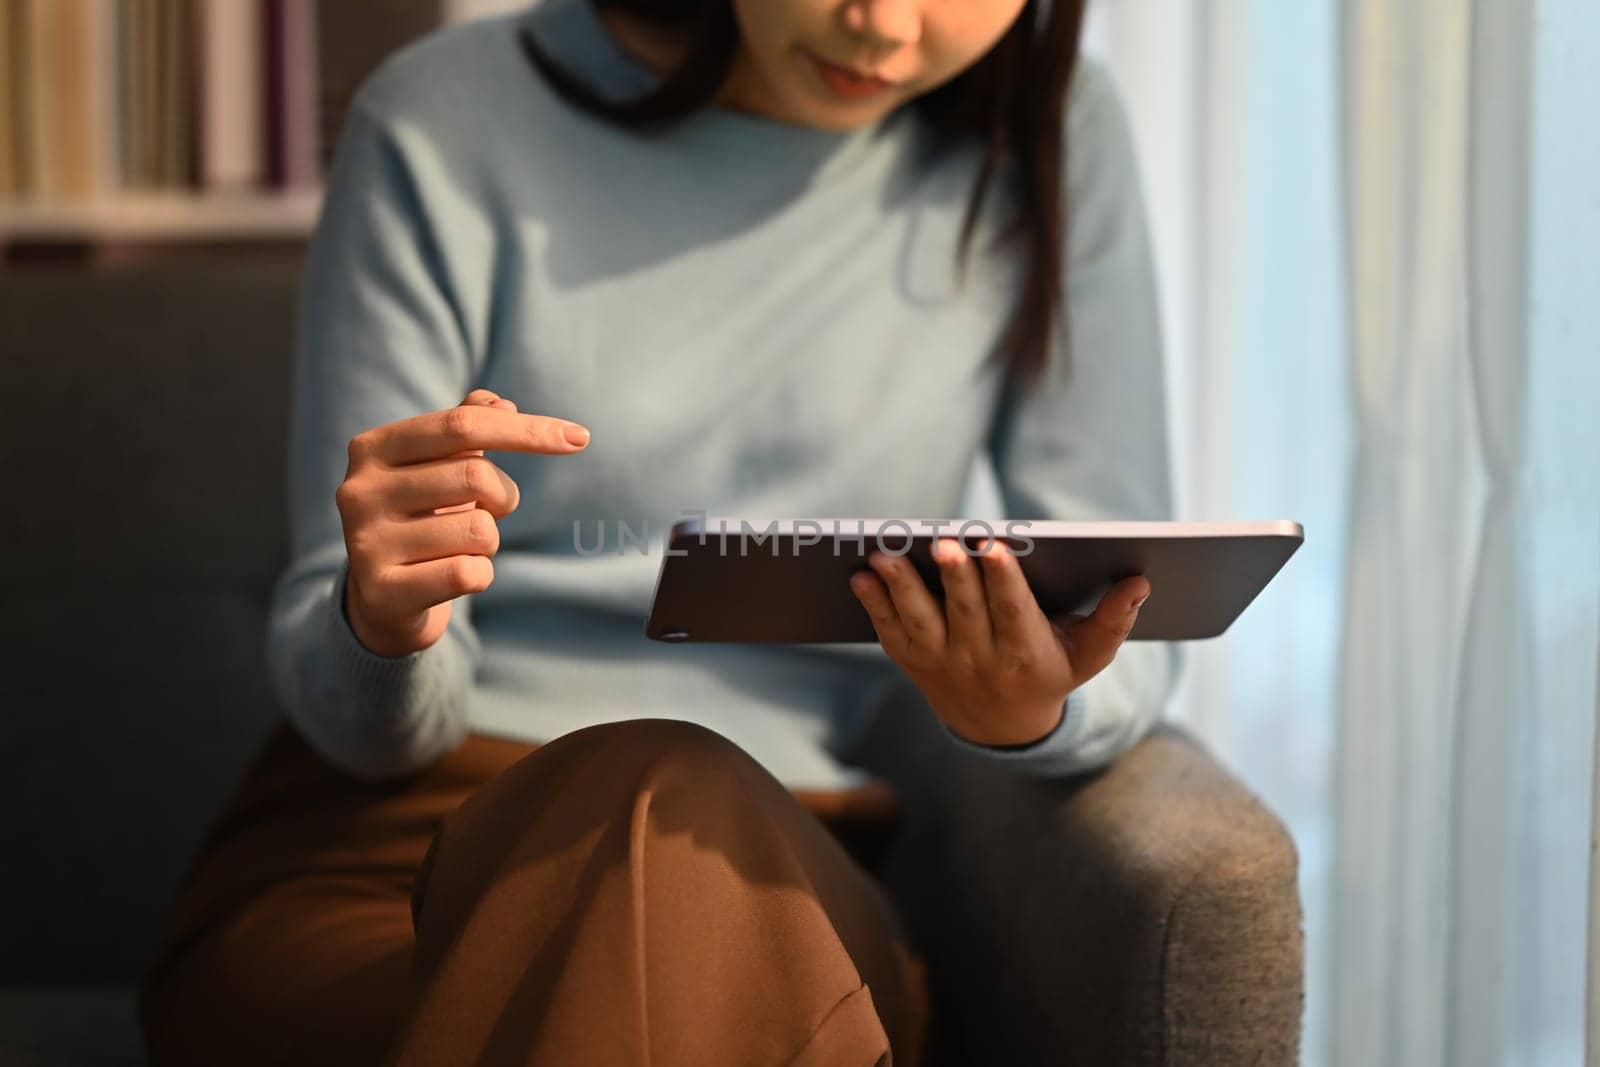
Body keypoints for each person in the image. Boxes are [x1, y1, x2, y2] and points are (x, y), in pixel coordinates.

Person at [138, 0, 1180, 1063]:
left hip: (774, 878)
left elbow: (1131, 604)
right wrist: (383, 623)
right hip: (386, 865)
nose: (880, 26)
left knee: (666, 824)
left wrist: (1031, 704)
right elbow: (369, 727)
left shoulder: (1050, 131)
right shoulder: (443, 117)